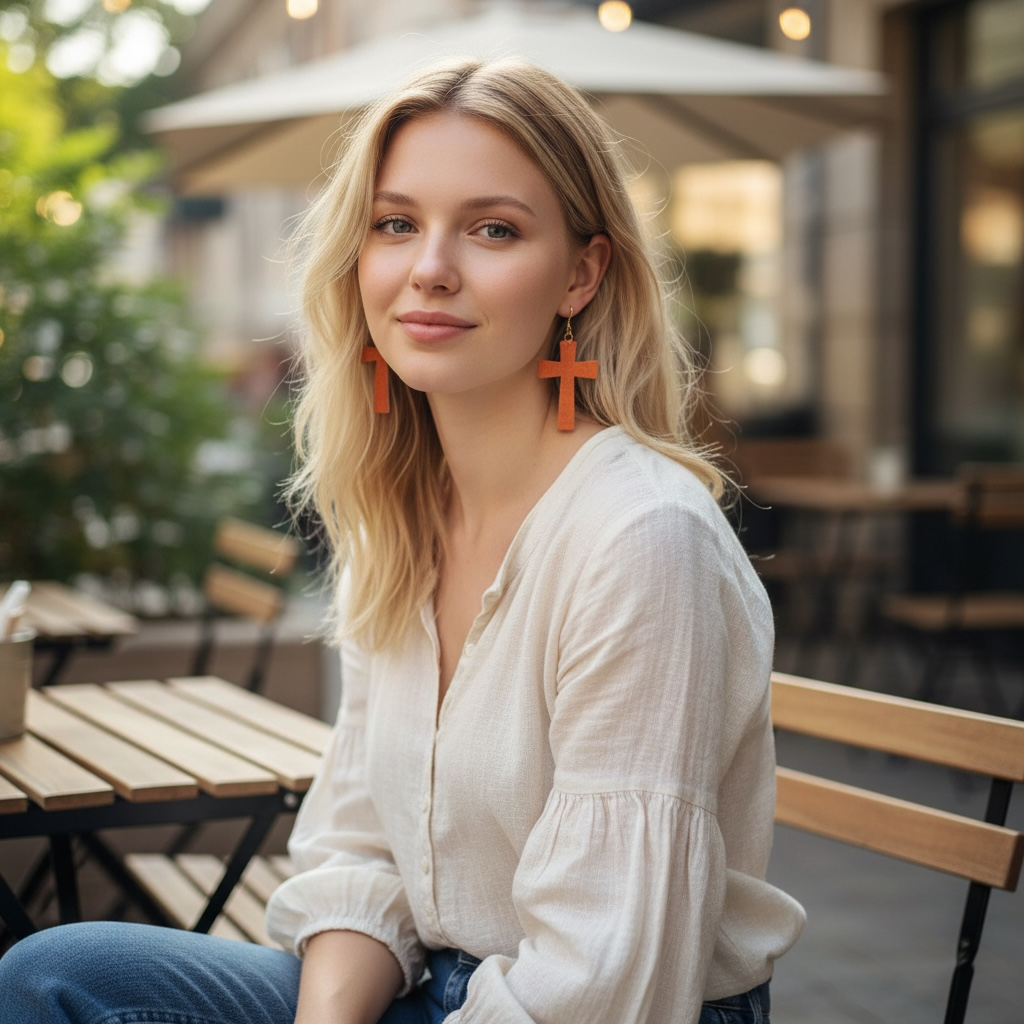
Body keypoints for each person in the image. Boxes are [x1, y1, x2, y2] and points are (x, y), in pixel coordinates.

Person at [0, 57, 804, 1024]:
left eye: (493, 229)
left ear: (581, 274)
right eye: (395, 224)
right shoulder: (403, 516)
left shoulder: (639, 540)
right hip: (432, 984)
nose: (430, 268)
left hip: (579, 1008)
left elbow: (599, 983)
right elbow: (362, 845)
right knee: (52, 976)